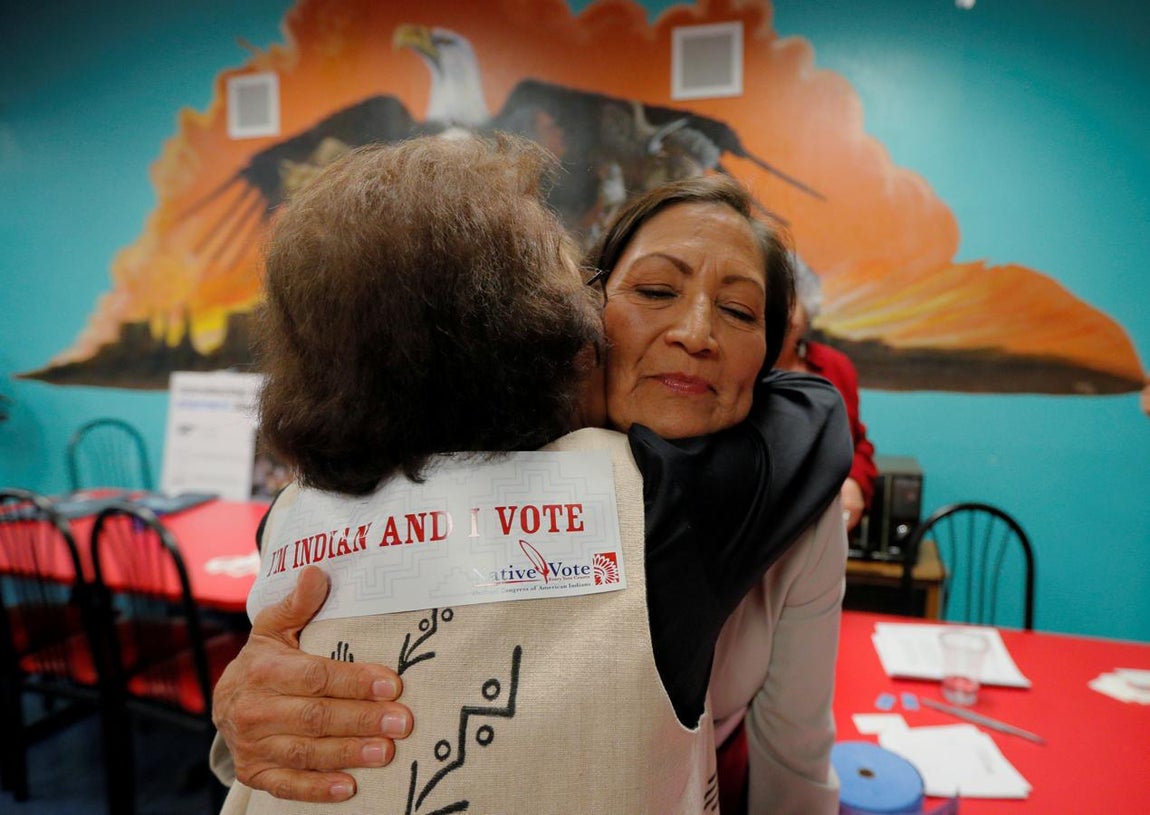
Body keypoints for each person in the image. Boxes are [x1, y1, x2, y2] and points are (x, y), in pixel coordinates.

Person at [211, 144, 851, 813]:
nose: (695, 332)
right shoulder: (616, 494)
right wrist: (242, 704)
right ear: (584, 314)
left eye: (741, 310)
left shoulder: (788, 497)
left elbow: (796, 751)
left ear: (776, 351)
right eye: (657, 290)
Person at [775, 254, 876, 532]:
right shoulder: (737, 369)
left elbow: (858, 445)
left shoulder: (834, 366)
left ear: (807, 315)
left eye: (792, 301)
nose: (782, 312)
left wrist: (854, 482)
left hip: (822, 529)